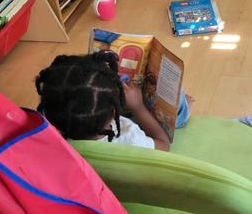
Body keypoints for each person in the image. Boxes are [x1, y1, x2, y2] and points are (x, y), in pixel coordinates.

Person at [35, 52, 178, 150]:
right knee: (180, 101)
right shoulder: (130, 139)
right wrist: (138, 108)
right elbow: (164, 145)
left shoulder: (52, 139)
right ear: (115, 111)